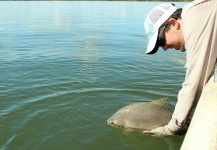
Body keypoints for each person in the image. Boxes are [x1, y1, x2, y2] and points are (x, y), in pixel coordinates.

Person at [143, 0, 217, 143]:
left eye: (160, 41)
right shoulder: (197, 13)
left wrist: (170, 128)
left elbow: (194, 83)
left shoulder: (193, 22)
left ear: (173, 23)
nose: (164, 48)